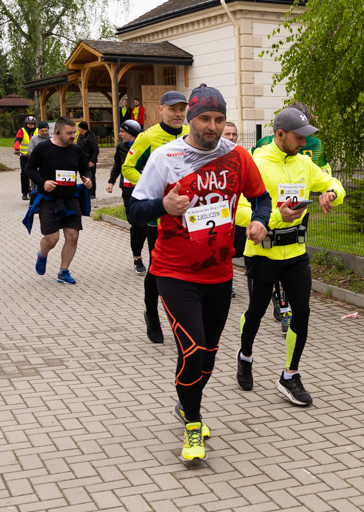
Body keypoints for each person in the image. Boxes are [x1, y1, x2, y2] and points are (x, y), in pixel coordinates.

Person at [126, 84, 271, 462]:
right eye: (205, 118)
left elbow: (262, 197)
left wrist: (260, 221)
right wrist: (164, 205)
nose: (212, 126)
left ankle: (185, 403)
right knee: (192, 350)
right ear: (190, 118)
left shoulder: (238, 156)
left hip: (220, 274)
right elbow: (135, 211)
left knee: (207, 354)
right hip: (174, 272)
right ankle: (193, 423)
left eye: (219, 119)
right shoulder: (166, 156)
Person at [236, 107, 345, 406]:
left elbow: (334, 183)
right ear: (280, 134)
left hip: (296, 253)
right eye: (299, 137)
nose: (304, 143)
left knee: (303, 312)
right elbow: (240, 211)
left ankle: (289, 375)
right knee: (256, 312)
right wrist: (274, 216)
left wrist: (332, 194)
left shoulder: (305, 164)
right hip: (263, 253)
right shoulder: (256, 164)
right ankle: (245, 355)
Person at [122, 91, 190, 344]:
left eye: (182, 109)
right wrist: (153, 188)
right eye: (172, 108)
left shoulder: (190, 134)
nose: (178, 113)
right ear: (160, 110)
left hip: (189, 214)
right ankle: (152, 313)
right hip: (159, 215)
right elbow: (127, 168)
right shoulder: (147, 137)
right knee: (158, 268)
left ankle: (183, 318)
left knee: (185, 267)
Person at [23, 116, 93, 285]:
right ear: (58, 132)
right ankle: (42, 254)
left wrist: (88, 179)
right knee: (51, 239)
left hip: (71, 200)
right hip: (49, 200)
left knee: (73, 236)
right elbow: (29, 169)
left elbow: (85, 170)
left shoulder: (76, 150)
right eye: (69, 133)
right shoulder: (43, 148)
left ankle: (64, 271)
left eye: (74, 133)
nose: (73, 136)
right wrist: (43, 182)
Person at [106, 120, 147, 274]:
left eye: (122, 131)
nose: (120, 134)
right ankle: (137, 258)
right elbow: (117, 165)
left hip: (146, 189)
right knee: (137, 225)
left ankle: (155, 257)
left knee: (147, 227)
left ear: (130, 133)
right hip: (129, 191)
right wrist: (111, 182)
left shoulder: (146, 145)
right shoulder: (121, 147)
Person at [223, 121, 247, 298]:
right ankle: (225, 286)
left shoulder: (242, 156)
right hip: (220, 215)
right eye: (227, 134)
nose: (231, 137)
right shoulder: (212, 156)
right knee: (224, 254)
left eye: (234, 134)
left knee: (240, 251)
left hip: (240, 215)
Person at [14, 115, 38, 200]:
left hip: (36, 156)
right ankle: (25, 192)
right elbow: (18, 140)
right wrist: (17, 149)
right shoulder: (22, 131)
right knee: (24, 173)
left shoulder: (38, 131)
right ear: (26, 124)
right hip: (24, 156)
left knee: (39, 172)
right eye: (29, 124)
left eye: (32, 124)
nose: (31, 125)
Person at [76, 121, 99, 199]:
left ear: (82, 128)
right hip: (82, 159)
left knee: (91, 176)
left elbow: (96, 149)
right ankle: (86, 191)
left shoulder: (90, 136)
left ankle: (92, 193)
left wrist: (93, 160)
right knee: (83, 175)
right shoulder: (80, 136)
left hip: (89, 159)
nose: (78, 129)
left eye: (79, 127)